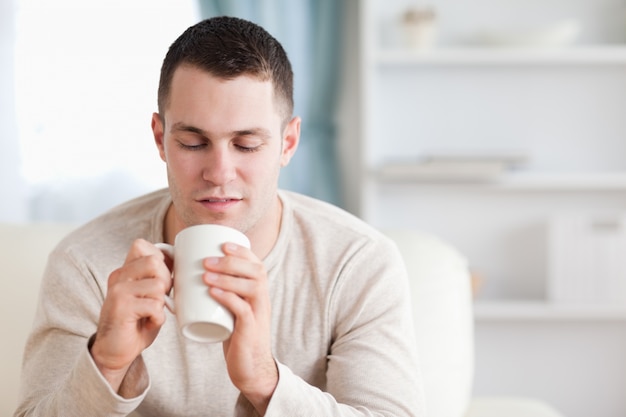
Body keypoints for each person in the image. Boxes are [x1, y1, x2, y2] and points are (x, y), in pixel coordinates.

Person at [15, 16, 424, 417]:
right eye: (194, 143)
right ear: (160, 138)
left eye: (246, 144)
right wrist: (104, 363)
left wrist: (265, 381)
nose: (219, 173)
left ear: (289, 142)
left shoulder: (357, 264)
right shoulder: (85, 264)